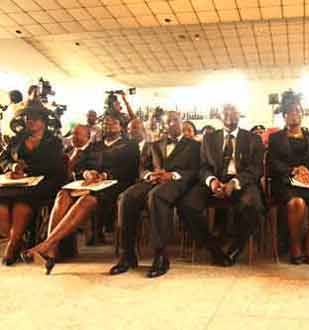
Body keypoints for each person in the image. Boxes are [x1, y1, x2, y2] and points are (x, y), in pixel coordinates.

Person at [110, 111, 228, 277]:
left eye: (174, 120)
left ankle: (161, 256)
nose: (171, 124)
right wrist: (149, 175)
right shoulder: (154, 144)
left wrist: (172, 175)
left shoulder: (195, 145)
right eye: (167, 122)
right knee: (125, 197)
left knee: (156, 197)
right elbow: (142, 167)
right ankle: (127, 254)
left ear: (181, 122)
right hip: (153, 181)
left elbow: (196, 170)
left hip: (179, 183)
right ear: (163, 126)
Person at [23, 110, 139, 275]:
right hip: (89, 183)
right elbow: (81, 166)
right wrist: (86, 173)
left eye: (113, 123)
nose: (109, 125)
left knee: (87, 200)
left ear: (121, 127)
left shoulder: (130, 145)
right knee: (63, 193)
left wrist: (104, 175)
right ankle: (51, 250)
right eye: (106, 123)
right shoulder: (95, 145)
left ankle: (47, 245)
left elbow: (130, 171)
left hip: (115, 187)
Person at [179, 105, 265, 266]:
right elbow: (203, 166)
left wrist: (234, 182)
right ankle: (213, 248)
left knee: (253, 204)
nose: (229, 114)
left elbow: (256, 169)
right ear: (219, 115)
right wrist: (211, 181)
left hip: (242, 182)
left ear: (240, 114)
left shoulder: (253, 138)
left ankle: (236, 248)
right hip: (214, 181)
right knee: (188, 204)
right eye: (225, 111)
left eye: (233, 111)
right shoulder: (209, 138)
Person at [267, 92, 309, 265]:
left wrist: (308, 171)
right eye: (291, 112)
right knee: (297, 203)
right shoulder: (276, 138)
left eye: (298, 111)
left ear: (303, 114)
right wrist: (293, 170)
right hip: (286, 182)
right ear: (284, 116)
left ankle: (308, 242)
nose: (295, 114)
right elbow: (272, 163)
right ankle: (295, 245)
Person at [0, 101, 66, 265]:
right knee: (2, 202)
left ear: (43, 121)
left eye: (35, 119)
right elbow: (4, 159)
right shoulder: (16, 139)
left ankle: (12, 245)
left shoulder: (54, 142)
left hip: (45, 182)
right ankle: (16, 241)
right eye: (28, 118)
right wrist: (12, 166)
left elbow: (54, 166)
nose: (31, 121)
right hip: (17, 183)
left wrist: (27, 170)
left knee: (21, 202)